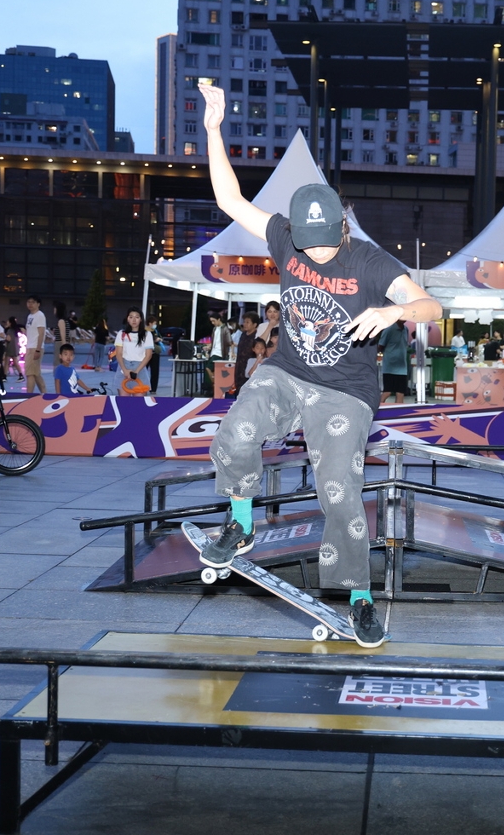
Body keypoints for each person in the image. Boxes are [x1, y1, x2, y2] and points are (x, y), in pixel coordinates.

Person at [197, 81, 441, 647]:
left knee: (338, 490)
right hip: (287, 371)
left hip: (346, 391)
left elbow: (432, 306)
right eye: (306, 245)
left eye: (324, 244)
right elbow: (230, 200)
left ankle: (360, 598)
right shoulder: (286, 238)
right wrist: (213, 129)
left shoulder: (370, 261)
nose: (314, 253)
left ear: (342, 228)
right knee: (235, 431)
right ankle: (241, 523)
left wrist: (393, 311)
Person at [115, 308, 154, 395]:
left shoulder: (147, 334)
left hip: (140, 368)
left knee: (139, 401)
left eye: (137, 317)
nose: (134, 320)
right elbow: (118, 354)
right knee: (123, 401)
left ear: (141, 319)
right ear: (127, 319)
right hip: (123, 368)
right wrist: (125, 370)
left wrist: (136, 371)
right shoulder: (121, 333)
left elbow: (148, 355)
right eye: (131, 317)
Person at [378, 319, 410, 403]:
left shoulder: (406, 330)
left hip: (402, 368)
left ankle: (399, 411)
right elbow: (381, 345)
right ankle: (377, 408)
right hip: (390, 367)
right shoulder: (389, 329)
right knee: (387, 392)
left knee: (400, 393)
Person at [24, 295, 47, 394]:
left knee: (30, 373)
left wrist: (38, 349)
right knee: (36, 373)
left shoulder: (39, 315)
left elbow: (41, 333)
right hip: (30, 346)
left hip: (35, 347)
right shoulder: (30, 316)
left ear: (38, 304)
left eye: (33, 302)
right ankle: (44, 393)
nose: (30, 304)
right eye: (28, 302)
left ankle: (28, 396)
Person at [233, 311, 259, 396]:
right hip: (239, 367)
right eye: (244, 322)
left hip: (250, 368)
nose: (244, 324)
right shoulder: (243, 334)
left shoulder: (257, 336)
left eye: (247, 322)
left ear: (255, 324)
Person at [146, 315, 163, 393]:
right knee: (144, 370)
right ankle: (143, 386)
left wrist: (159, 339)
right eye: (154, 323)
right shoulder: (145, 331)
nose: (155, 325)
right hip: (146, 353)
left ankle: (153, 388)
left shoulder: (155, 331)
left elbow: (160, 337)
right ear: (150, 323)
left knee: (155, 371)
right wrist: (154, 340)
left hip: (155, 353)